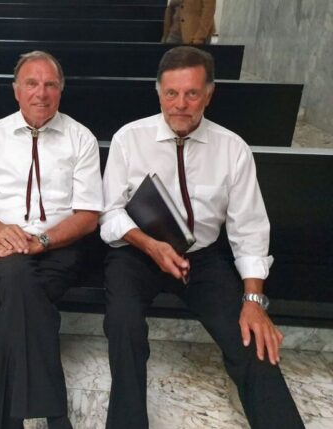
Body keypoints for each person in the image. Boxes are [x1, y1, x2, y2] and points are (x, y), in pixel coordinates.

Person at [100, 46, 304, 429]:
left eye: (192, 93)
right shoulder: (130, 139)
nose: (180, 104)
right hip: (137, 252)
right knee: (123, 326)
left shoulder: (232, 148)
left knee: (250, 336)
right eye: (171, 93)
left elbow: (249, 229)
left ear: (209, 95)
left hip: (203, 259)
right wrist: (150, 245)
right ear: (158, 92)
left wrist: (254, 300)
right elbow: (109, 213)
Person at [0, 51, 103, 429]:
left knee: (17, 304)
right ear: (16, 90)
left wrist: (42, 240)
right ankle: (56, 416)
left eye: (50, 84)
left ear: (61, 91)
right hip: (1, 244)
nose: (41, 93)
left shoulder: (81, 138)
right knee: (20, 283)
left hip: (60, 247)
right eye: (32, 84)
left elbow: (89, 216)